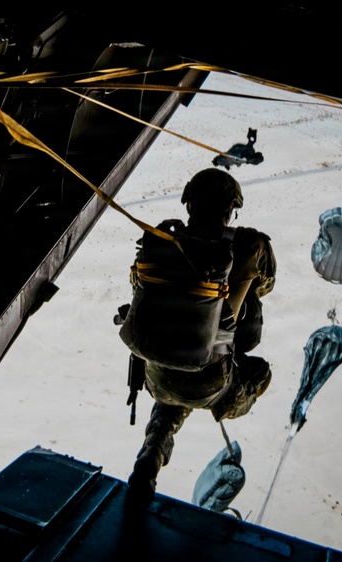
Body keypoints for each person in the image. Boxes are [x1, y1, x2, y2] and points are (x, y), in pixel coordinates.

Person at [123, 168, 277, 498]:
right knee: (259, 373)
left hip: (157, 370)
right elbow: (266, 285)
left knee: (170, 404)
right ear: (230, 209)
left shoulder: (162, 241)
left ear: (189, 205)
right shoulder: (250, 245)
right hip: (214, 380)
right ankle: (161, 440)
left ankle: (153, 450)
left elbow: (138, 288)